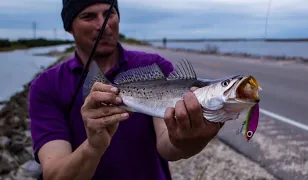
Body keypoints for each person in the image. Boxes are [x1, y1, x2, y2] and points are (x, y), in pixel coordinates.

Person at [28, 0, 223, 179]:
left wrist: (188, 140)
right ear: (69, 27)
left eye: (109, 14)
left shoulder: (155, 66)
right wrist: (93, 147)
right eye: (88, 17)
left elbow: (167, 144)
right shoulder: (45, 86)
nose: (102, 25)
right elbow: (54, 175)